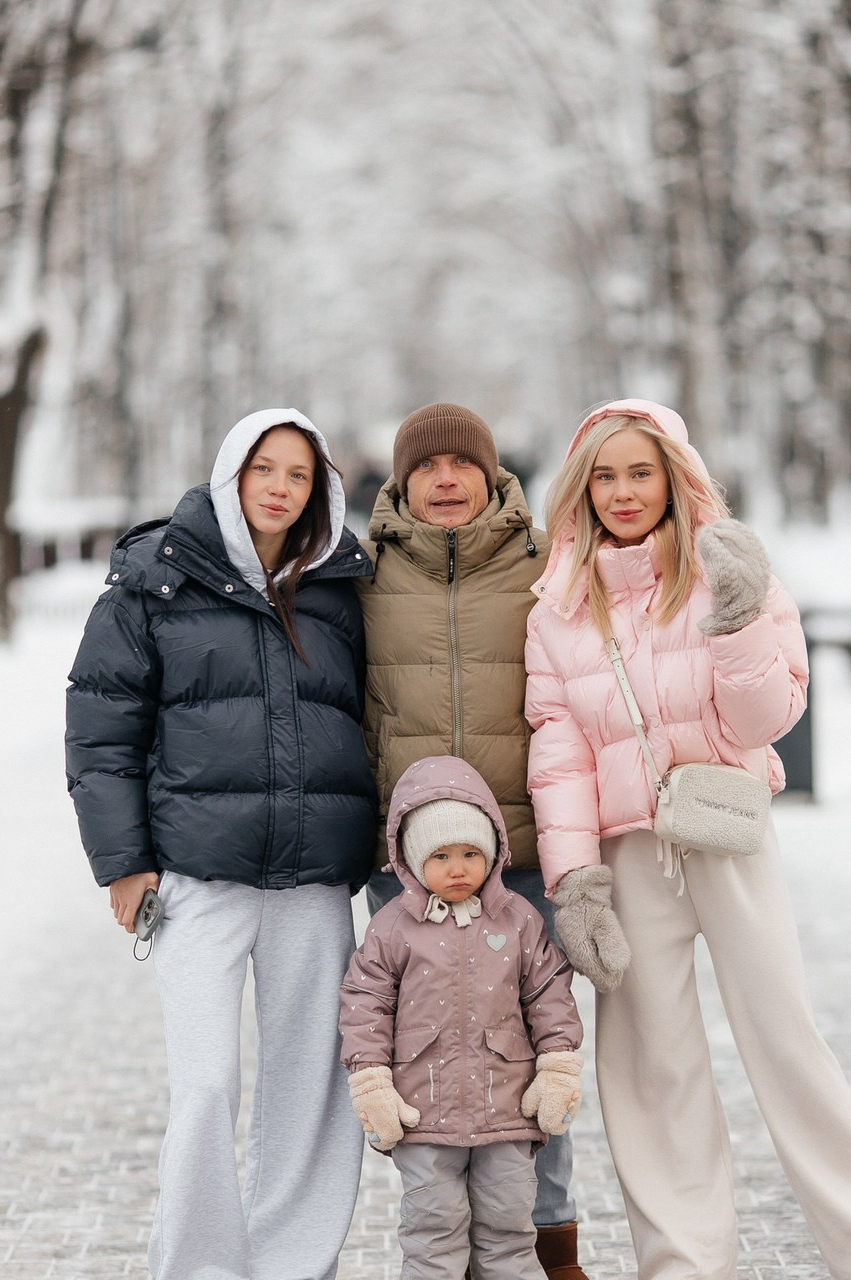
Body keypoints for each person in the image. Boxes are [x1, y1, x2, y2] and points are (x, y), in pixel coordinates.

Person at [523, 398, 851, 1280]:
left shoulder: (729, 569)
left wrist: (739, 621)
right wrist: (577, 882)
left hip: (727, 829)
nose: (623, 492)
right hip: (628, 854)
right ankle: (683, 1263)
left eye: (640, 471)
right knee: (649, 1064)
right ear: (581, 486)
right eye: (604, 474)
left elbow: (770, 716)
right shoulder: (555, 604)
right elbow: (558, 753)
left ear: (674, 475)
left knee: (785, 1038)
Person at [65, 408, 378, 1280]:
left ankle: (291, 1264)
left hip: (315, 879)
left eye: (299, 475)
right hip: (199, 876)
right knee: (205, 1085)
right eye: (263, 470)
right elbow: (100, 726)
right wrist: (123, 862)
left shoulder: (341, 586)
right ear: (229, 475)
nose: (280, 488)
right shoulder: (156, 579)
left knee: (310, 1090)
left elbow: (376, 716)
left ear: (321, 489)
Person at [357, 403, 593, 1280]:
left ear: (494, 476)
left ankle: (549, 1243)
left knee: (531, 1054)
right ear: (403, 480)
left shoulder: (546, 565)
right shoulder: (365, 573)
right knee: (423, 1057)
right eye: (428, 467)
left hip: (521, 856)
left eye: (464, 464)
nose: (446, 480)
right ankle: (440, 1249)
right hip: (409, 865)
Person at [339, 755, 585, 1280]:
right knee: (432, 1233)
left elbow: (548, 992)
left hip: (507, 1112)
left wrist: (558, 1065)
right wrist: (371, 1081)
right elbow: (366, 1002)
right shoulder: (392, 929)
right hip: (424, 1113)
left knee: (510, 1231)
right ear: (410, 859)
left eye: (472, 853)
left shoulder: (517, 920)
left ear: (493, 853)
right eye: (441, 855)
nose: (458, 868)